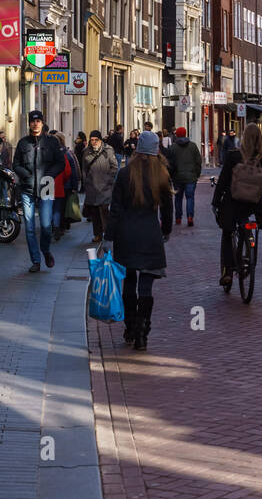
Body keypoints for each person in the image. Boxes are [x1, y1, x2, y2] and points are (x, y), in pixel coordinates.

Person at [103, 130, 173, 351]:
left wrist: (109, 237)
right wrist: (166, 230)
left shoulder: (125, 174)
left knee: (129, 282)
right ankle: (143, 331)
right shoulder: (162, 174)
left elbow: (115, 209)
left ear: (137, 148)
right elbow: (168, 209)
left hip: (126, 235)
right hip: (150, 235)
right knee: (146, 286)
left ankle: (130, 326)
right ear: (156, 150)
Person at [212, 124, 262, 287]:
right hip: (252, 204)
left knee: (227, 232)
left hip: (233, 201)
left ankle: (228, 271)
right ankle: (247, 256)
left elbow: (223, 181)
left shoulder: (233, 155)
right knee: (245, 224)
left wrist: (216, 202)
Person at [12, 110, 65, 273]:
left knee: (46, 225)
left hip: (46, 186)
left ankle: (45, 250)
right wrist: (25, 174)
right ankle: (35, 260)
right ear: (29, 124)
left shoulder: (52, 142)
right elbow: (16, 164)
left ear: (42, 123)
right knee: (29, 227)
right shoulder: (23, 143)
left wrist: (49, 175)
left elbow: (60, 163)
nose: (35, 124)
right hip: (27, 188)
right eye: (32, 121)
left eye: (38, 121)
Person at [82, 130, 118, 244]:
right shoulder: (86, 152)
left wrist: (109, 180)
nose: (93, 142)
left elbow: (114, 166)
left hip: (105, 187)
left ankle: (107, 233)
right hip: (92, 186)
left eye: (95, 140)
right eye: (91, 140)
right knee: (94, 213)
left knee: (104, 210)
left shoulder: (108, 150)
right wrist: (86, 181)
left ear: (100, 140)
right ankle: (97, 234)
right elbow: (84, 168)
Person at [172, 126, 202, 225]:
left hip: (177, 177)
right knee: (190, 197)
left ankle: (178, 218)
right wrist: (197, 174)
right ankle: (190, 217)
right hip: (191, 177)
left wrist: (172, 175)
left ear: (177, 135)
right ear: (185, 134)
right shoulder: (193, 146)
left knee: (178, 198)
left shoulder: (173, 147)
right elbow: (198, 161)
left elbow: (170, 162)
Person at [50, 132, 73, 241]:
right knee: (57, 209)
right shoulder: (62, 154)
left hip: (46, 184)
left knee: (47, 207)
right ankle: (56, 228)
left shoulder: (45, 154)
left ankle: (48, 227)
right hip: (59, 184)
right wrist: (63, 180)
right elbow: (67, 171)